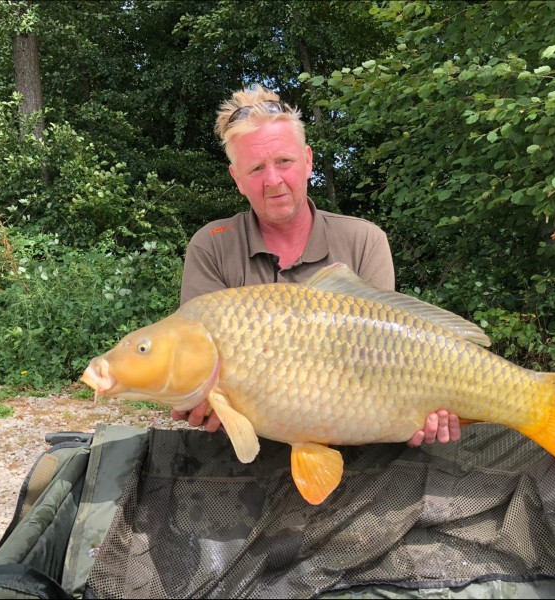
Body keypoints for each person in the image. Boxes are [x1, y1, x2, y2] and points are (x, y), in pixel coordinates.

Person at [173, 85, 460, 447]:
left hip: (354, 437)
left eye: (284, 162)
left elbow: (387, 362)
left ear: (308, 161)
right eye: (256, 168)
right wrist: (199, 400)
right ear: (237, 179)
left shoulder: (364, 240)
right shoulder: (212, 245)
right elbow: (195, 366)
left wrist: (417, 415)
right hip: (247, 451)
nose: (273, 181)